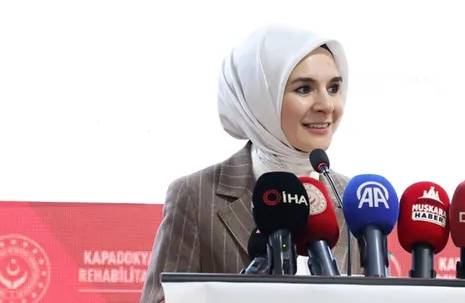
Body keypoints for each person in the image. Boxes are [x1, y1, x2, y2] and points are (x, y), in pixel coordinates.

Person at [140, 24, 360, 303]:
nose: (326, 105)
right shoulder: (195, 196)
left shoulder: (354, 200)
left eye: (333, 88)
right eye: (304, 89)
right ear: (259, 96)